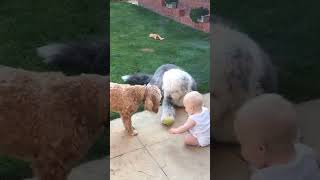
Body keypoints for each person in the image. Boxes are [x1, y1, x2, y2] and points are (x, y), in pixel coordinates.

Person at [234, 93, 320, 180]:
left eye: (242, 144)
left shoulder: (262, 177)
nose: (241, 150)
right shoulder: (305, 152)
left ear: (261, 149)